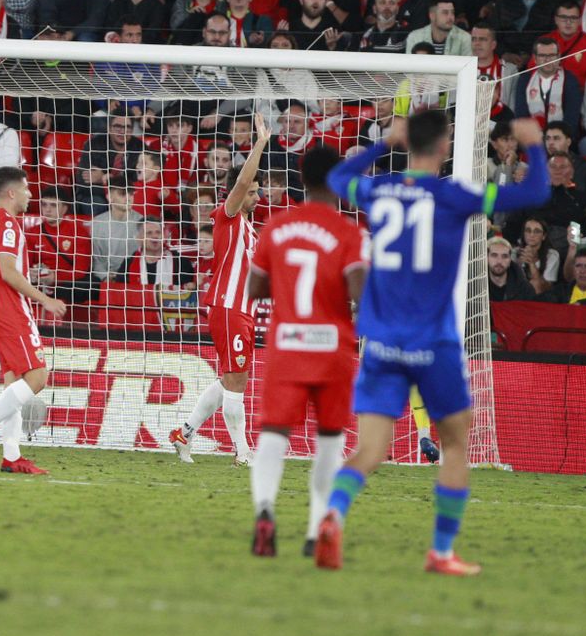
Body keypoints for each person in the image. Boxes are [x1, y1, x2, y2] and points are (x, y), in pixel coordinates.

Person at [317, 114, 550, 575]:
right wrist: (535, 147)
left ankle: (333, 514)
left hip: (381, 340)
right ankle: (441, 551)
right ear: (444, 146)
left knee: (369, 450)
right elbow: (535, 193)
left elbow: (337, 177)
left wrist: (382, 145)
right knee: (456, 444)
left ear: (408, 142)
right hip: (433, 341)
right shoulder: (454, 195)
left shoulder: (378, 189)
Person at [245, 146, 367, 558]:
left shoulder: (277, 227)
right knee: (330, 440)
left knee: (273, 433)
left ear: (300, 177)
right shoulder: (348, 232)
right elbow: (358, 290)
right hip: (332, 346)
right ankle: (317, 529)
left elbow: (254, 289)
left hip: (286, 344)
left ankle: (265, 509)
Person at [170, 116, 269, 467]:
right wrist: (260, 142)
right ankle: (243, 452)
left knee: (229, 379)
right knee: (237, 383)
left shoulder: (251, 231)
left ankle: (184, 432)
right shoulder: (227, 215)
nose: (258, 196)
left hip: (242, 311)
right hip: (227, 308)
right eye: (254, 191)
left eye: (258, 191)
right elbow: (241, 181)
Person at [0, 165, 66, 476]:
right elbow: (7, 272)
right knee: (37, 377)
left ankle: (11, 456)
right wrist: (45, 299)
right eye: (26, 189)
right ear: (11, 192)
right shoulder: (6, 223)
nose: (30, 194)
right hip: (10, 310)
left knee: (14, 384)